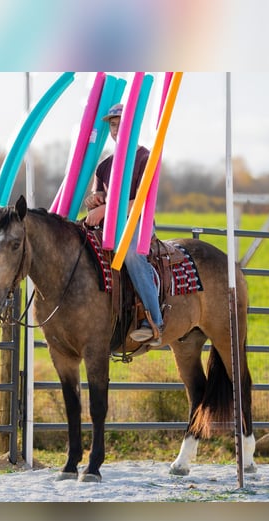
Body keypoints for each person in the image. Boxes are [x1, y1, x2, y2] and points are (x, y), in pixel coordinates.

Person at [84, 103, 164, 346]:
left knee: (131, 253)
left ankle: (154, 321)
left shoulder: (145, 158)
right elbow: (95, 197)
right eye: (113, 124)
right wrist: (93, 200)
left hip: (138, 222)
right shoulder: (104, 166)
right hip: (108, 226)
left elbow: (140, 202)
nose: (116, 128)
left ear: (133, 126)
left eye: (121, 123)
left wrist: (104, 209)